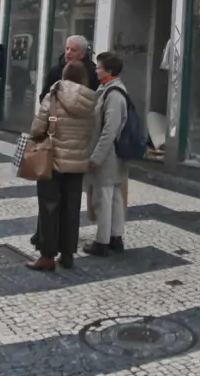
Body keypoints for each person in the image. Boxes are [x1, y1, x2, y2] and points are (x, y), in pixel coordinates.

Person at [27, 60, 98, 271]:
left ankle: (47, 256)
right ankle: (68, 254)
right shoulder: (90, 101)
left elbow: (38, 128)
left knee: (49, 207)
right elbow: (91, 133)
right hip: (77, 163)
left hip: (53, 160)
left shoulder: (54, 94)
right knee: (71, 208)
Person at [85, 51, 129, 257]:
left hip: (108, 155)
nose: (96, 70)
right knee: (114, 197)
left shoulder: (114, 94)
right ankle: (115, 237)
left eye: (99, 67)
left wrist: (96, 157)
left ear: (108, 71)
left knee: (103, 199)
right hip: (111, 155)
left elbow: (109, 130)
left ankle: (102, 242)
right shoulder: (106, 90)